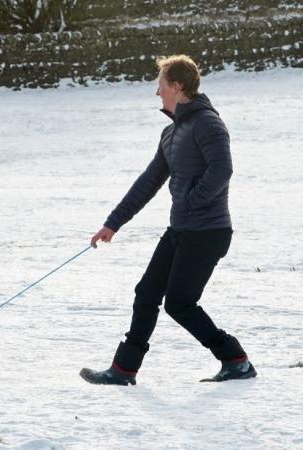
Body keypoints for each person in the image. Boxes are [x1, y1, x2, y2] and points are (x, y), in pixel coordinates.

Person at [80, 55, 256, 385]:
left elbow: (223, 169)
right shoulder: (171, 133)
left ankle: (235, 358)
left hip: (208, 231)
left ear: (177, 86)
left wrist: (190, 201)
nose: (156, 92)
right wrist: (113, 223)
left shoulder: (208, 124)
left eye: (160, 85)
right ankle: (123, 369)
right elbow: (148, 181)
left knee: (179, 303)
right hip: (182, 230)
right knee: (147, 293)